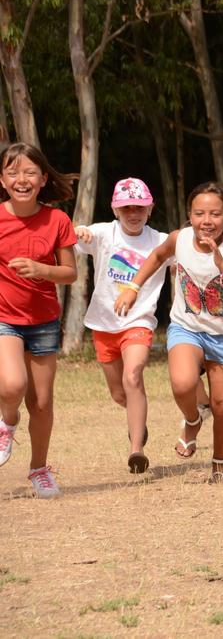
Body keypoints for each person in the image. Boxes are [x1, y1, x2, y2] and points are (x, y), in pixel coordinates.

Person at [115, 182, 223, 483]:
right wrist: (132, 288)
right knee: (182, 384)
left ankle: (220, 464)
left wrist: (222, 265)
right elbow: (155, 257)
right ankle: (192, 420)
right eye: (200, 213)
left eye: (215, 214)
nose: (207, 220)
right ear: (189, 215)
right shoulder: (179, 239)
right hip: (186, 327)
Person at [74, 177, 169, 474]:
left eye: (139, 207)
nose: (133, 213)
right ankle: (137, 423)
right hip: (102, 324)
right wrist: (79, 233)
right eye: (126, 207)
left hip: (138, 321)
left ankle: (136, 449)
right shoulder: (103, 233)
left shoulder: (161, 241)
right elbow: (74, 237)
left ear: (150, 209)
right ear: (115, 209)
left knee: (133, 375)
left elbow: (190, 256)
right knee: (119, 394)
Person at [0, 143, 78, 498]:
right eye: (13, 171)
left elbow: (70, 274)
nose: (22, 179)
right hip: (5, 318)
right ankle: (7, 422)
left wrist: (41, 270)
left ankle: (39, 469)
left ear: (44, 179)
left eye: (30, 172)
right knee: (13, 386)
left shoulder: (57, 220)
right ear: (2, 179)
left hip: (44, 320)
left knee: (42, 403)